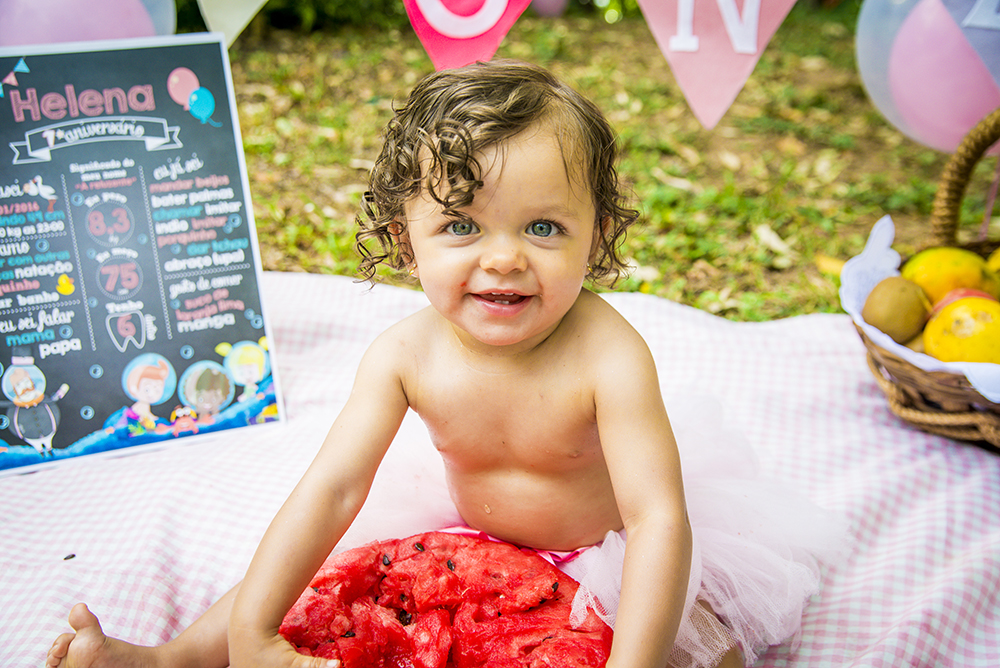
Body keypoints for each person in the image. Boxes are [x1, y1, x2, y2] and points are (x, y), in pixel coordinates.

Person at [46, 60, 841, 668]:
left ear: (595, 237)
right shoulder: (404, 353)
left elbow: (658, 520)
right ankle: (167, 658)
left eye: (542, 227)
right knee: (326, 576)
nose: (503, 260)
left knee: (707, 648)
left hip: (599, 555)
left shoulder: (609, 355)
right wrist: (255, 635)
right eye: (461, 225)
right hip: (463, 527)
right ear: (405, 241)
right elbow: (332, 490)